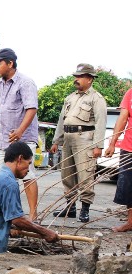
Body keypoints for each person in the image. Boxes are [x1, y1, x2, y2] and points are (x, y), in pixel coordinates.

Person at [0, 142, 59, 254]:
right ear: (19, 159)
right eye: (28, 163)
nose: (28, 169)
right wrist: (45, 232)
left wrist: (9, 228)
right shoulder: (9, 183)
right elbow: (18, 219)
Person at [0, 48, 40, 220]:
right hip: (2, 139)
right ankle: (3, 214)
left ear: (10, 63)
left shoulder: (25, 82)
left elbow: (31, 108)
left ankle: (33, 215)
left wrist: (21, 130)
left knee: (27, 175)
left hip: (24, 139)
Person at [50, 63, 107, 223]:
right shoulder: (70, 97)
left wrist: (99, 146)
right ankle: (70, 207)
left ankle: (85, 209)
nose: (77, 79)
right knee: (67, 174)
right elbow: (62, 121)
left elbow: (101, 122)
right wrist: (56, 141)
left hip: (85, 139)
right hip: (68, 138)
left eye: (80, 76)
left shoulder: (96, 98)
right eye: (76, 76)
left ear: (89, 79)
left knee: (85, 175)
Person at [105, 89, 132, 232]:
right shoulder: (130, 93)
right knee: (128, 187)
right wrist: (112, 143)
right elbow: (122, 118)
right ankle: (130, 222)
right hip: (129, 148)